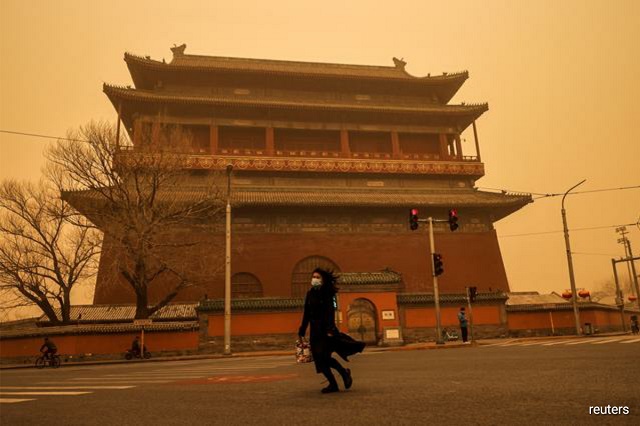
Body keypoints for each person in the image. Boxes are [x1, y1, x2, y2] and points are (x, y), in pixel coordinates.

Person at [298, 268, 365, 393]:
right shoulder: (310, 294)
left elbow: (330, 311)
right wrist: (302, 330)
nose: (315, 279)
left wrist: (330, 329)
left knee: (324, 357)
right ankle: (336, 381)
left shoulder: (328, 293)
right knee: (320, 360)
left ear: (323, 279)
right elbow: (306, 313)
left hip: (325, 331)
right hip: (314, 332)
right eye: (313, 277)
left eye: (318, 277)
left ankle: (342, 374)